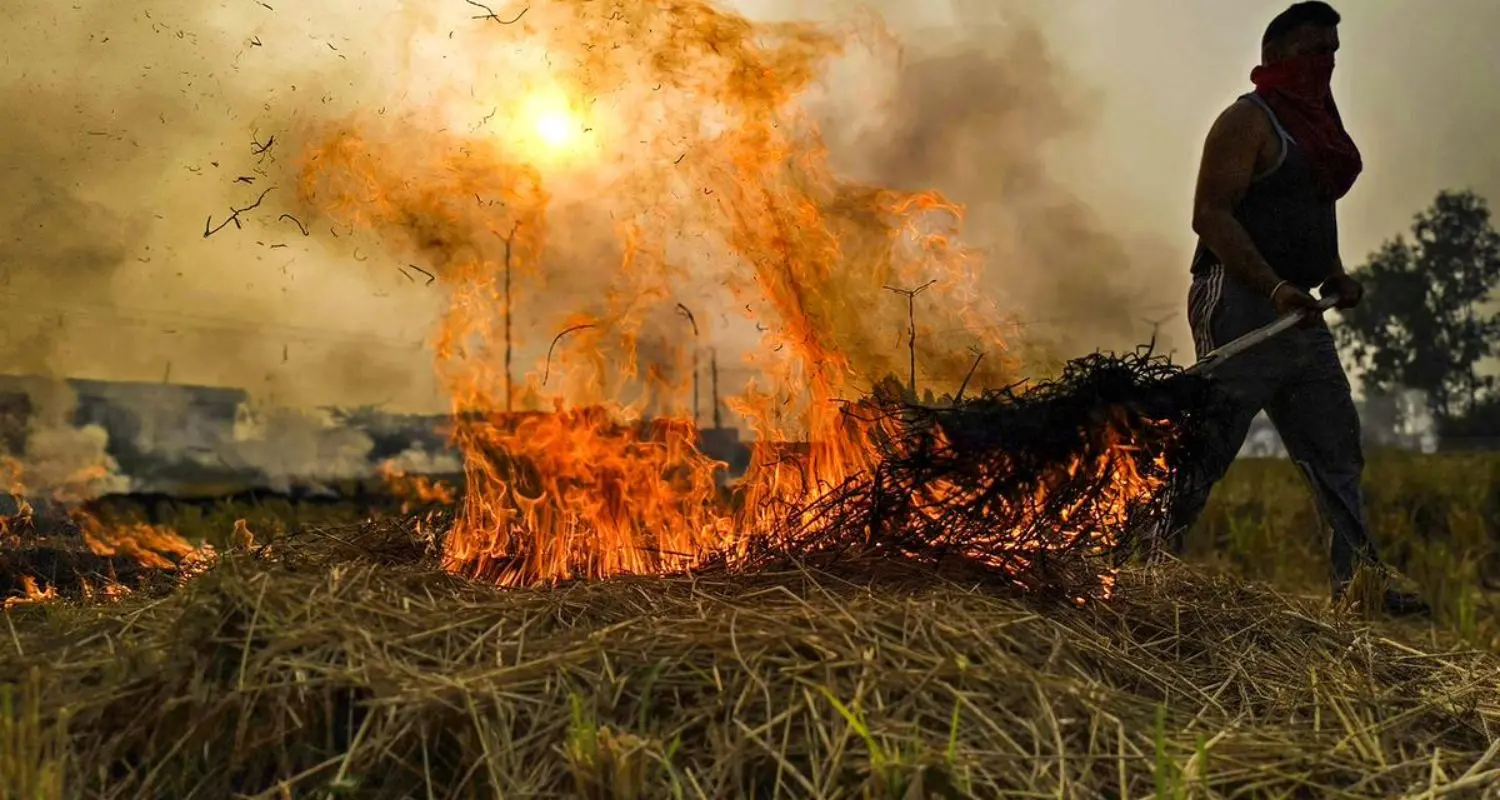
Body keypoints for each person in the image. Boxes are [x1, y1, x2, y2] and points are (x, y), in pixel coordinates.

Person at [1168, 1, 1426, 615]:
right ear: (1278, 55)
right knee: (1208, 445)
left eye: (1333, 51)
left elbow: (1312, 219)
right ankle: (1140, 568)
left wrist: (1332, 274)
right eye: (1315, 51)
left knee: (1335, 447)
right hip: (1238, 302)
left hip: (1299, 314)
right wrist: (1272, 286)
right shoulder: (1247, 121)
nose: (1327, 62)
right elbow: (1210, 216)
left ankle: (1359, 584)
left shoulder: (1319, 134)